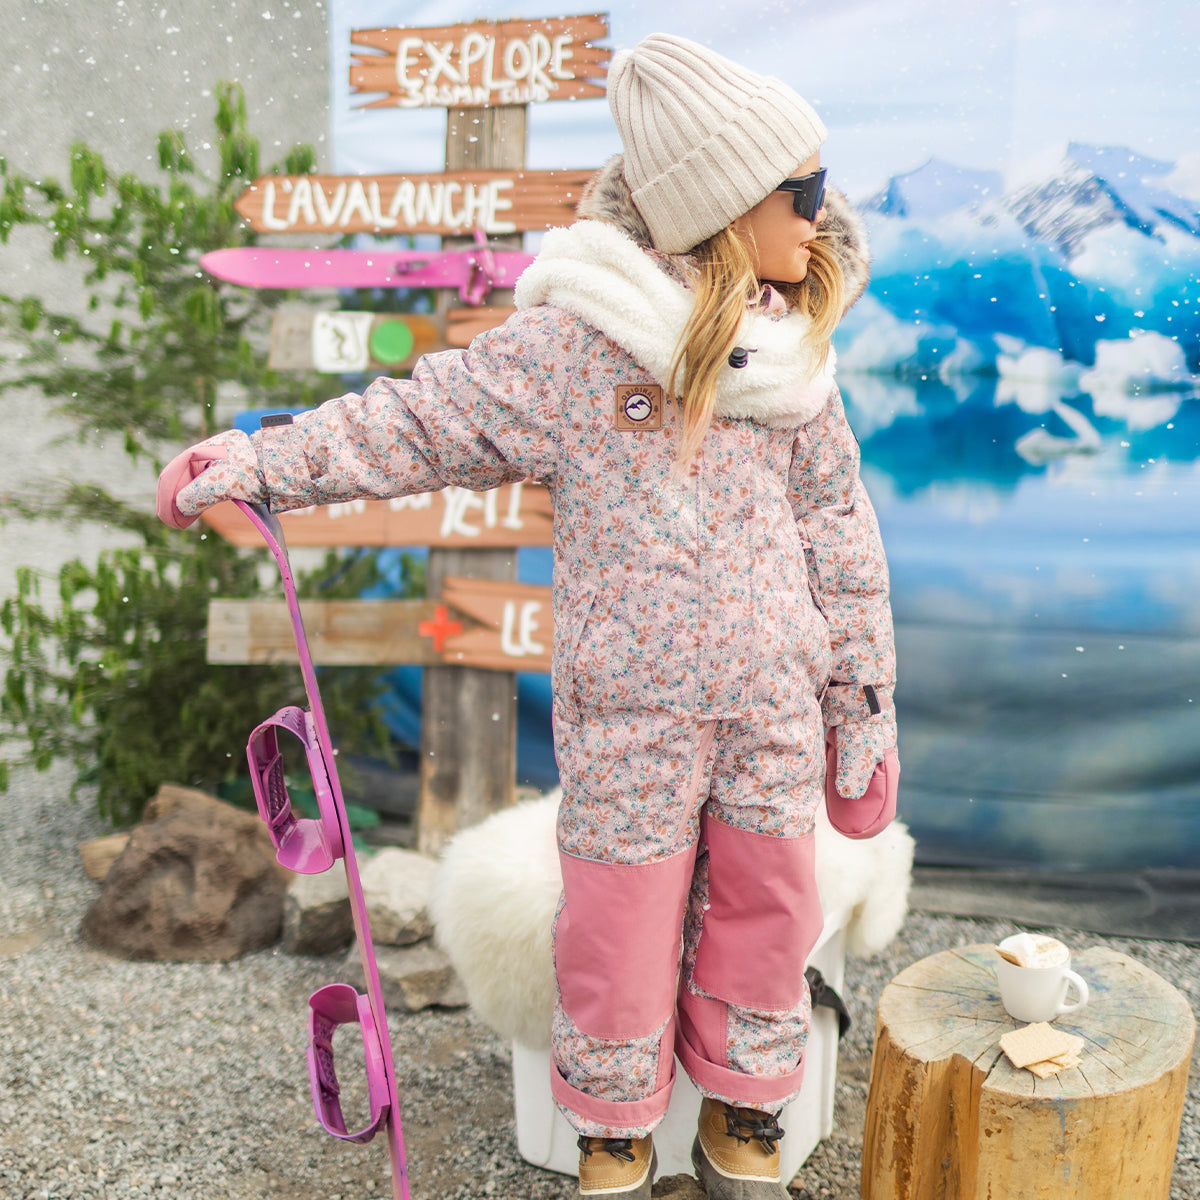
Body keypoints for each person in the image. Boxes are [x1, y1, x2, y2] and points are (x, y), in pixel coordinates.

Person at [157, 33, 898, 1200]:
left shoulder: (796, 359)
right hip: (631, 714)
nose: (823, 216)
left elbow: (841, 535)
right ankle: (614, 1126)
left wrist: (861, 700)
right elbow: (407, 423)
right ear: (721, 207)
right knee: (619, 920)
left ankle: (747, 1109)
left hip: (772, 707)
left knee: (769, 904)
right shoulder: (573, 351)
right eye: (799, 194)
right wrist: (261, 459)